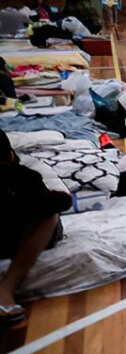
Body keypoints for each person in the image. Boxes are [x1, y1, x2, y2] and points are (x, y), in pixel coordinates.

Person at [0, 131, 72, 326]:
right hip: (17, 237)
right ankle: (6, 288)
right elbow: (51, 205)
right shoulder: (23, 176)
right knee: (49, 216)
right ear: (11, 156)